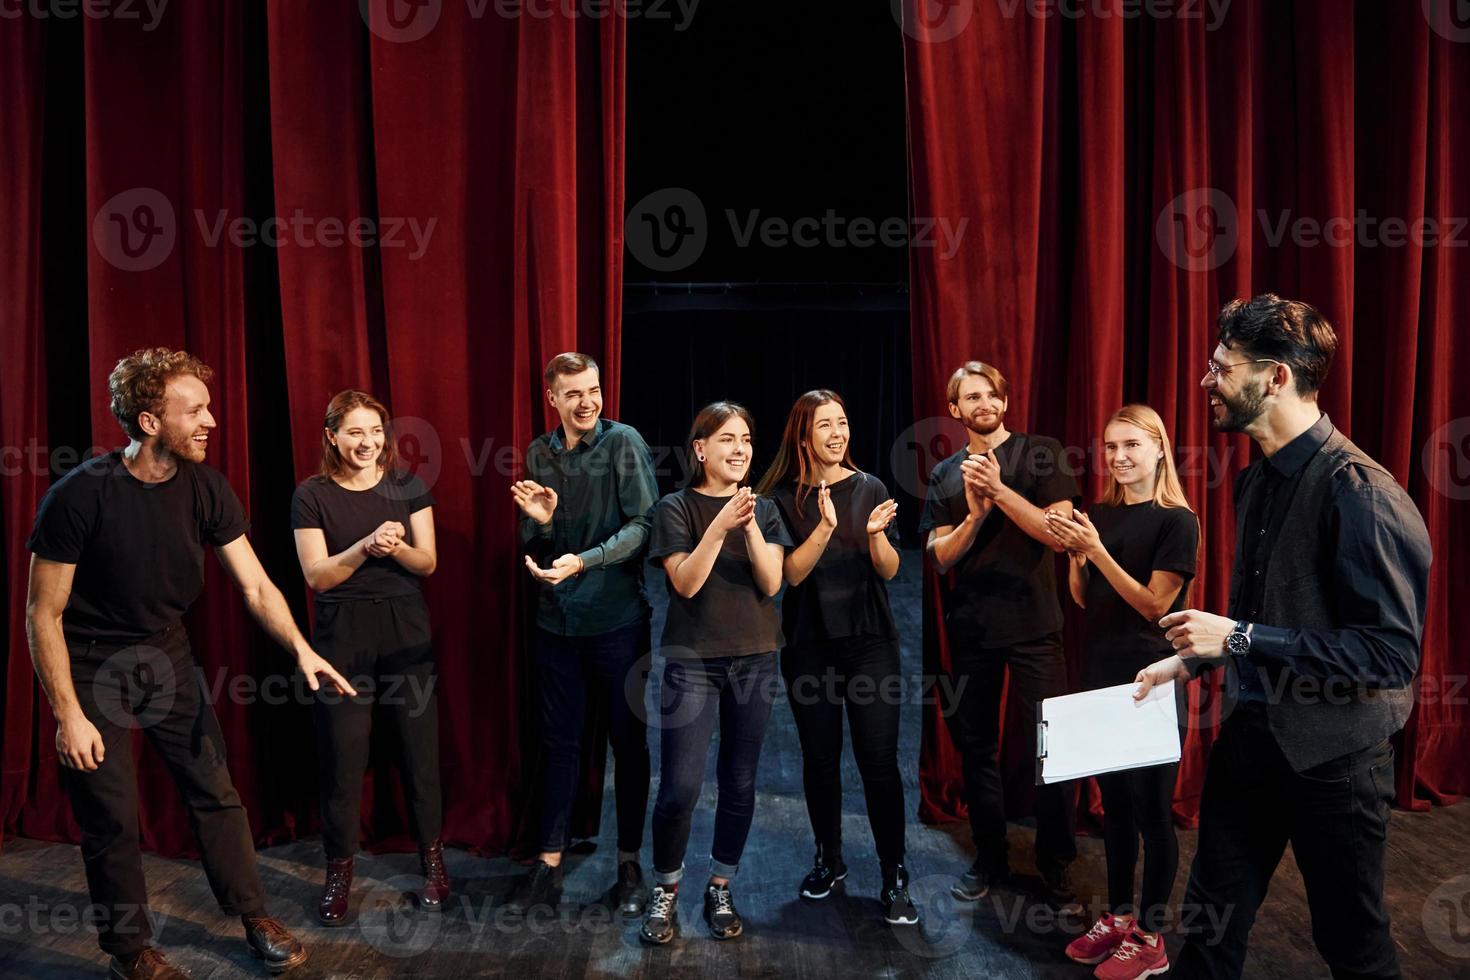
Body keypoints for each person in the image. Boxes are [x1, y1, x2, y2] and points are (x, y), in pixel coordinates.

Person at [25, 349, 354, 979]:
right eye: (195, 409)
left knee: (214, 788)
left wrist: (303, 649)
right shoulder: (78, 497)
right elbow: (43, 616)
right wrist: (68, 714)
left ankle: (253, 912)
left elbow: (256, 587)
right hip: (93, 664)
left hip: (165, 652)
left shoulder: (206, 485)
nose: (211, 420)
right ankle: (129, 952)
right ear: (150, 422)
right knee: (112, 814)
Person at [1134, 295, 1432, 979]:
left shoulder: (1360, 491)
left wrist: (1236, 636)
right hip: (1252, 740)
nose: (1206, 381)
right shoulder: (1255, 482)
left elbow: (1387, 656)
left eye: (1221, 368)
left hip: (1336, 761)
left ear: (1273, 378)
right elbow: (1263, 624)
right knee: (1206, 935)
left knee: (1353, 947)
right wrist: (1191, 660)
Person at [1045, 404, 1199, 980]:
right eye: (1111, 447)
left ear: (1159, 448)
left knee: (1153, 811)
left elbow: (1155, 605)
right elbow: (1086, 598)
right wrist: (1076, 555)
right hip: (1103, 676)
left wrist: (1098, 550)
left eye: (1131, 445)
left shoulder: (1177, 521)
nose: (1119, 457)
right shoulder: (1102, 513)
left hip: (1154, 680)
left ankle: (1151, 937)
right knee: (1115, 810)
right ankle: (1116, 917)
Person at [917, 360, 1080, 907]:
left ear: (1004, 403)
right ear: (956, 410)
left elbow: (1060, 537)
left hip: (1036, 626)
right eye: (970, 397)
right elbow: (939, 558)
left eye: (991, 395)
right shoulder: (944, 474)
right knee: (977, 746)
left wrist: (1000, 493)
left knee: (1053, 745)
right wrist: (976, 515)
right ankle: (990, 857)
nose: (982, 404)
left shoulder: (1042, 452)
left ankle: (1055, 860)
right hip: (973, 630)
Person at [754, 389, 917, 926]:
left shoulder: (869, 486)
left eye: (843, 422)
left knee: (878, 762)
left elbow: (891, 571)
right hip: (809, 648)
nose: (838, 433)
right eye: (825, 425)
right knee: (820, 761)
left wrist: (875, 538)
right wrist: (825, 526)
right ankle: (829, 859)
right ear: (804, 436)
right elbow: (792, 576)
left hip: (870, 644)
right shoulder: (778, 497)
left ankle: (895, 874)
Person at [507, 352, 658, 917]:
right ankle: (548, 864)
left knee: (629, 745)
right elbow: (536, 539)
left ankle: (630, 863)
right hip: (557, 625)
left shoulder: (624, 444)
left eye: (593, 389)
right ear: (553, 399)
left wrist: (585, 560)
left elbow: (645, 527)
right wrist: (544, 524)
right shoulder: (537, 454)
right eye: (573, 394)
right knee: (560, 746)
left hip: (618, 623)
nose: (587, 401)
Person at [639, 401, 792, 945]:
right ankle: (666, 887)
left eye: (747, 439)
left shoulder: (766, 510)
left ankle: (721, 884)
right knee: (680, 786)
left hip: (755, 657)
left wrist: (746, 526)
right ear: (700, 449)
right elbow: (685, 583)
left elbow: (772, 582)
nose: (740, 449)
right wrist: (720, 524)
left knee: (740, 780)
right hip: (692, 662)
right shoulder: (675, 508)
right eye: (727, 439)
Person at [291, 390, 446, 925]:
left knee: (418, 751)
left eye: (375, 431)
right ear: (332, 435)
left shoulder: (408, 486)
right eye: (355, 432)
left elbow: (426, 563)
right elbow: (317, 576)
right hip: (341, 634)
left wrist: (395, 548)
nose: (368, 442)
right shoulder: (310, 495)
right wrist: (364, 547)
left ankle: (433, 863)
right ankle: (339, 873)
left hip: (406, 628)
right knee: (342, 759)